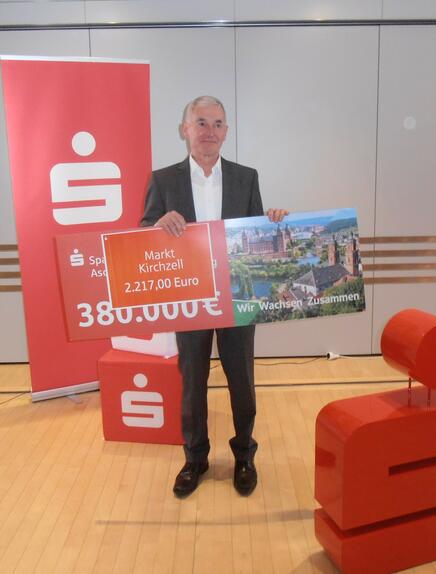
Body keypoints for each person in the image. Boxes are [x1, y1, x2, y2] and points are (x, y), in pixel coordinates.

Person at [141, 95, 288, 497]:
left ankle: (244, 454)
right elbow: (144, 231)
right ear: (185, 129)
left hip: (237, 294)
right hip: (188, 297)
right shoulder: (163, 180)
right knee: (193, 382)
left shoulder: (246, 177)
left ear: (226, 131)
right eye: (201, 123)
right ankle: (195, 459)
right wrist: (157, 224)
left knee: (242, 378)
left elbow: (256, 230)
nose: (209, 131)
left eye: (217, 124)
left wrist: (274, 222)